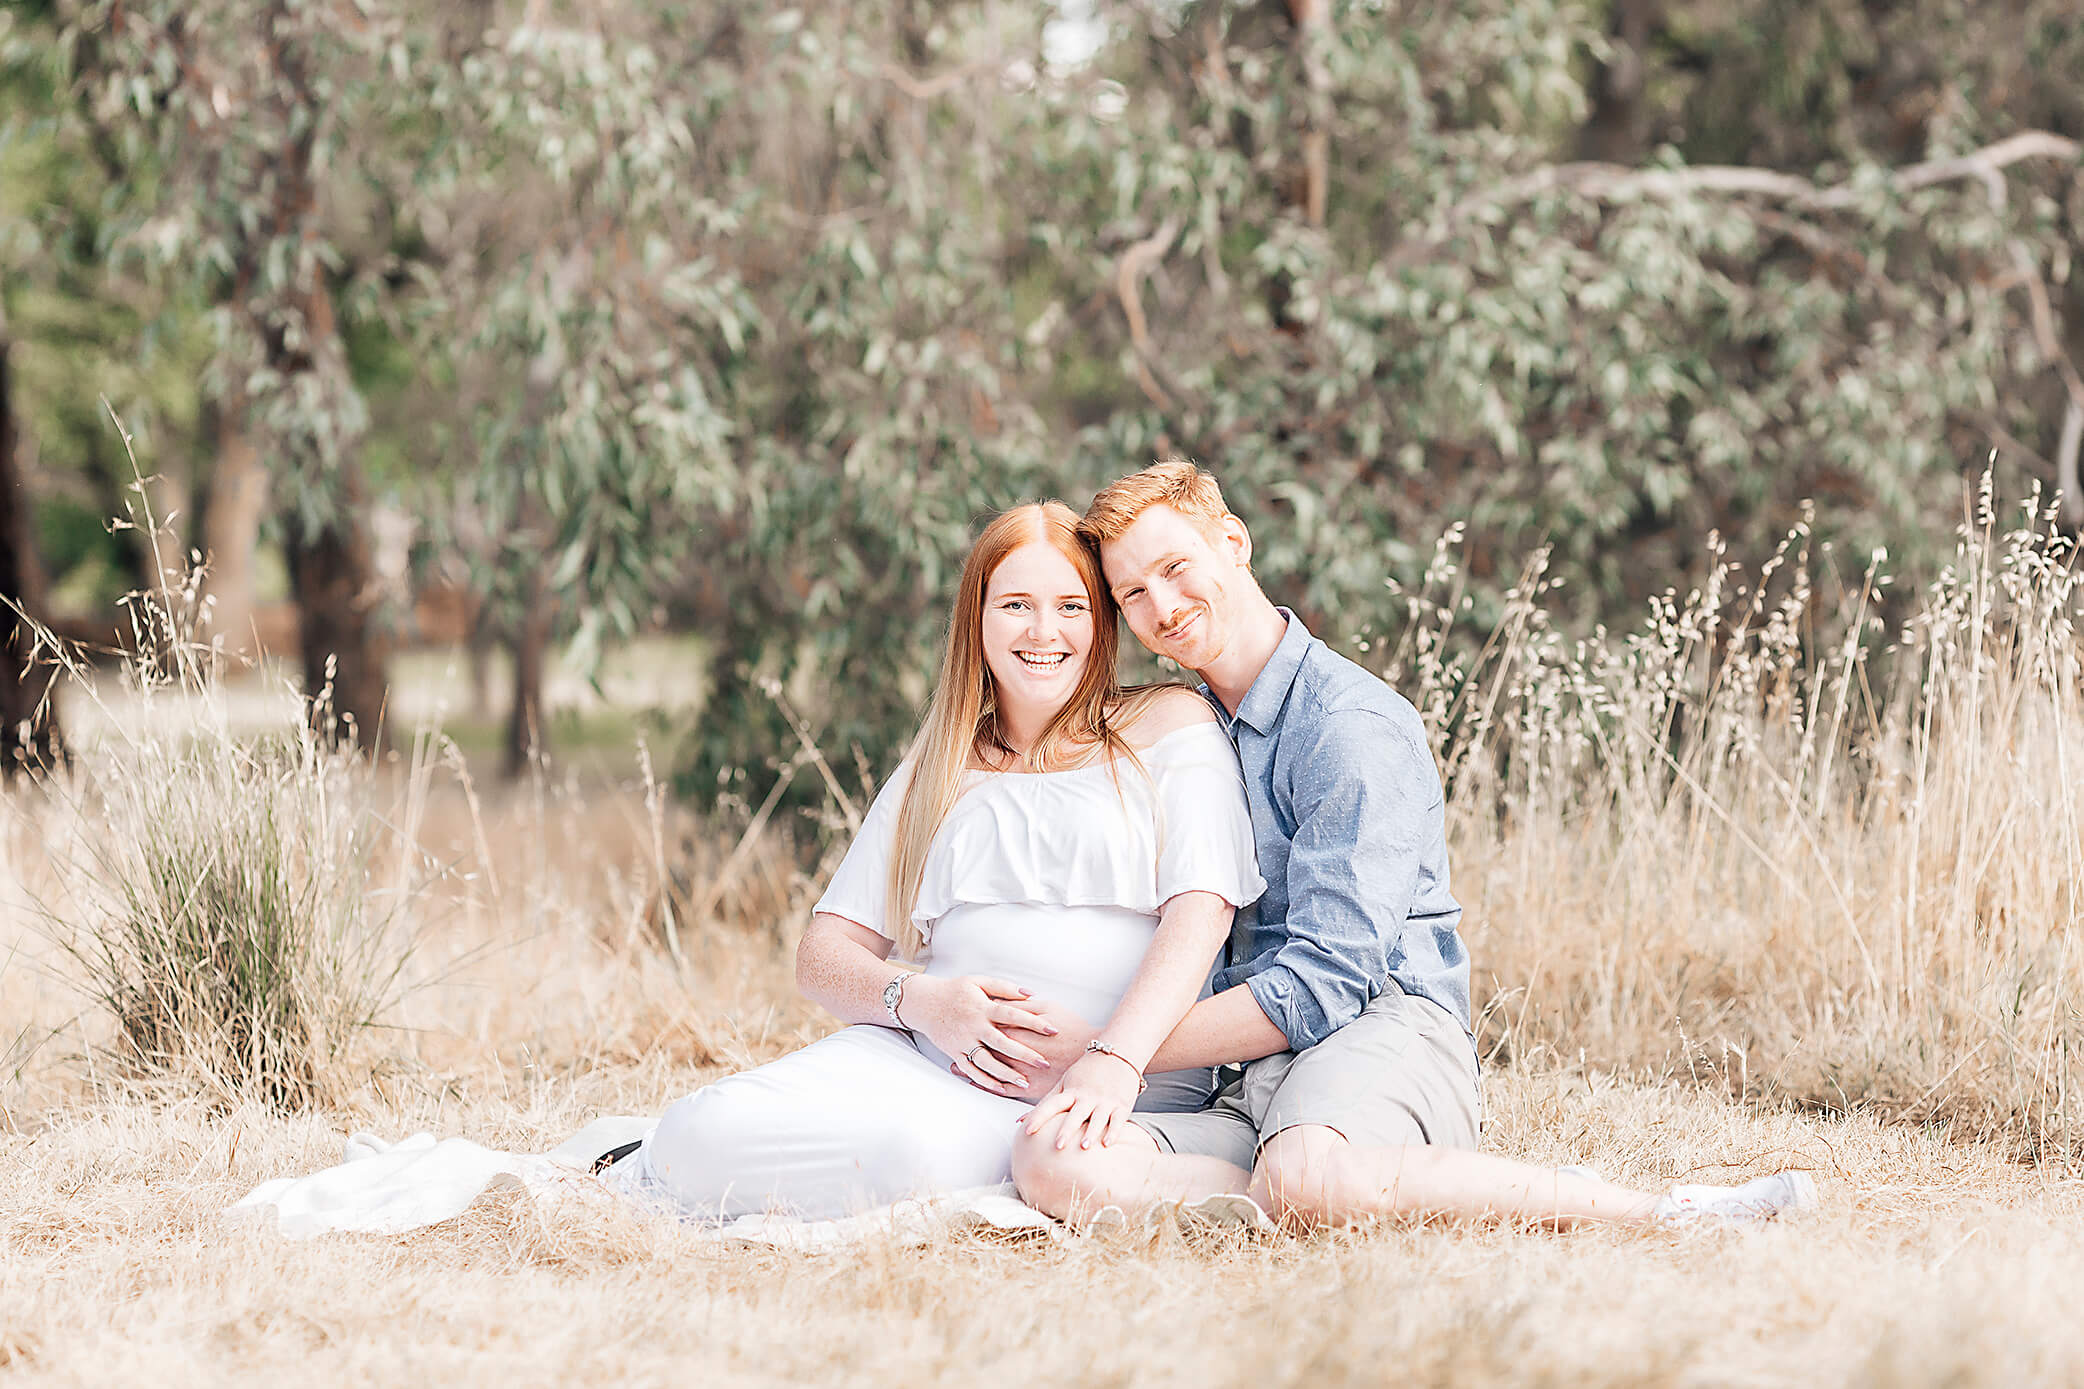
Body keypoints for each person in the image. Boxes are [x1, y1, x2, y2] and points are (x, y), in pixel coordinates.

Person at [1003, 460, 1816, 1230]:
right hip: (1248, 1075)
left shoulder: (1347, 723)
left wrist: (1116, 1049)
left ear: (1234, 542)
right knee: (1050, 1158)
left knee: (1300, 1174)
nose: (1164, 606)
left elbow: (1326, 982)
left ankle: (1649, 1211)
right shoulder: (1184, 727)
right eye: (1133, 593)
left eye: (1177, 567)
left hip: (1384, 1030)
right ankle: (1326, 1186)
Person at [601, 499, 1265, 1221]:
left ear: (1100, 623)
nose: (1045, 631)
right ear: (976, 620)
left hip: (1102, 1087)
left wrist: (1113, 1057)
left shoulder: (1170, 724)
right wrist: (923, 1001)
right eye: (1016, 604)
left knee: (907, 1159)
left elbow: (1203, 913)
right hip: (922, 1055)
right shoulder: (945, 760)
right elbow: (823, 954)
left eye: (1071, 605)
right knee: (695, 1129)